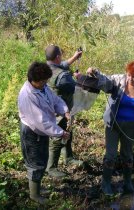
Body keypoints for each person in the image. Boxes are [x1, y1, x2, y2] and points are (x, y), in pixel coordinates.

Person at [87, 61, 134, 195]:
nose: (131, 79)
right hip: (113, 125)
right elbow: (106, 81)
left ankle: (127, 182)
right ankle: (106, 183)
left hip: (131, 128)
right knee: (111, 155)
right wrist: (96, 73)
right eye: (129, 75)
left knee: (127, 155)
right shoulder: (118, 81)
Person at [18, 61, 71, 204]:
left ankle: (38, 188)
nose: (46, 83)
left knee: (42, 158)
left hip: (42, 131)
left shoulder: (42, 87)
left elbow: (55, 100)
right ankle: (34, 195)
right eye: (43, 81)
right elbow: (41, 122)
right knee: (35, 163)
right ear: (34, 80)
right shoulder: (28, 95)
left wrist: (64, 111)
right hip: (32, 132)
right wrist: (60, 133)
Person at [45, 44, 83, 178]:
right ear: (57, 57)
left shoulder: (47, 68)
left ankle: (68, 157)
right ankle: (51, 168)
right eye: (60, 55)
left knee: (68, 131)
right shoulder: (63, 76)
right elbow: (77, 88)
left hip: (51, 107)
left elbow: (62, 64)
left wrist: (74, 57)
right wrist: (79, 78)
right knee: (58, 137)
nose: (61, 58)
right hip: (62, 111)